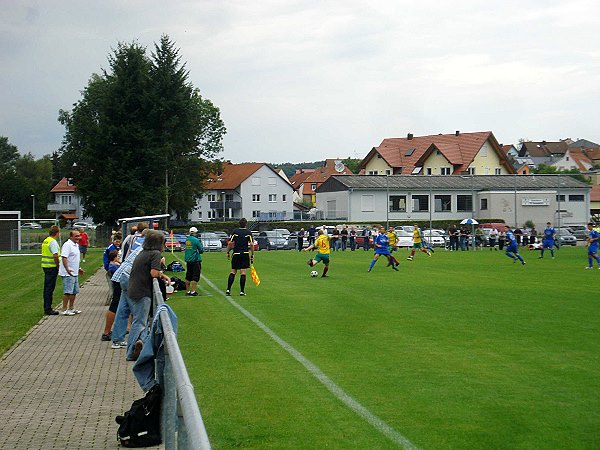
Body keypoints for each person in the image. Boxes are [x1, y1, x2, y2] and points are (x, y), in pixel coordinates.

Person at [127, 230, 170, 361]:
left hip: (134, 289)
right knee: (139, 322)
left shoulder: (143, 252)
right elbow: (153, 273)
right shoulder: (155, 254)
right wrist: (161, 274)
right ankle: (130, 351)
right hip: (142, 291)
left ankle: (141, 345)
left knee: (142, 321)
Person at [58, 229, 85, 315]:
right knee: (68, 291)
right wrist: (67, 269)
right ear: (71, 236)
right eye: (76, 236)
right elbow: (64, 257)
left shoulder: (76, 245)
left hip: (74, 272)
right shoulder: (67, 245)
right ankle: (64, 309)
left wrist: (79, 268)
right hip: (68, 273)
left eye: (79, 236)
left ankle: (71, 308)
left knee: (74, 291)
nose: (78, 237)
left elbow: (74, 259)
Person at [226, 218, 255, 296]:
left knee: (233, 271)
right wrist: (252, 254)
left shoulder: (235, 231)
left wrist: (228, 251)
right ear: (246, 224)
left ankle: (228, 290)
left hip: (236, 254)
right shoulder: (248, 232)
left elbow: (230, 243)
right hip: (245, 254)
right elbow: (252, 244)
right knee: (243, 272)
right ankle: (242, 291)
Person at [101, 250, 121, 341]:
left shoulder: (114, 265)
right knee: (114, 307)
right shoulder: (113, 266)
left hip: (119, 289)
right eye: (118, 256)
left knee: (115, 307)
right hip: (118, 289)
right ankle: (107, 332)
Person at [41, 225, 61, 315]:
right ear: (57, 233)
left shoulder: (46, 240)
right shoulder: (53, 242)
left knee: (47, 288)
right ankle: (48, 309)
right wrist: (58, 266)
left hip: (46, 266)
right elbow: (55, 255)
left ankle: (47, 307)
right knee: (49, 288)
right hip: (51, 267)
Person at [184, 227, 204, 296]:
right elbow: (201, 250)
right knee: (196, 276)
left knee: (188, 275)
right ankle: (193, 291)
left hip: (188, 259)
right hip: (195, 260)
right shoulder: (196, 240)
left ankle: (187, 291)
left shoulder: (187, 239)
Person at [103, 232, 122, 304]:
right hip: (110, 267)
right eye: (116, 241)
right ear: (113, 240)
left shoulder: (116, 247)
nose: (118, 243)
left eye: (119, 242)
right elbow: (110, 258)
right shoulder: (111, 248)